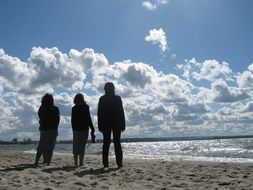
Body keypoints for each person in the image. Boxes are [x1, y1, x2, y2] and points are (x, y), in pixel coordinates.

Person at [97, 82, 125, 168]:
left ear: (105, 89)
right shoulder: (117, 98)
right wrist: (123, 124)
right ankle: (119, 163)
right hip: (116, 123)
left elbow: (99, 113)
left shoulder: (102, 99)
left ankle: (105, 163)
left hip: (105, 124)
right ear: (113, 89)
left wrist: (99, 125)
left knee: (106, 143)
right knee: (117, 143)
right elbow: (121, 112)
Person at [35, 93, 60, 166]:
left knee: (41, 145)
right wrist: (56, 128)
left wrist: (42, 123)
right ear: (52, 100)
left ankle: (36, 161)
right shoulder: (55, 108)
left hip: (44, 129)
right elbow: (57, 120)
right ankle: (48, 162)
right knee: (50, 147)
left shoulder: (41, 108)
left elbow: (40, 117)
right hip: (53, 129)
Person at [71, 93, 95, 167]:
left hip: (76, 129)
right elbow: (88, 118)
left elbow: (72, 120)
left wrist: (73, 129)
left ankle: (75, 163)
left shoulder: (74, 108)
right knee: (82, 146)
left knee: (76, 146)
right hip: (84, 129)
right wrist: (92, 128)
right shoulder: (86, 107)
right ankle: (81, 163)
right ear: (82, 99)